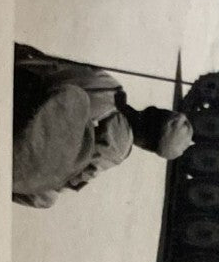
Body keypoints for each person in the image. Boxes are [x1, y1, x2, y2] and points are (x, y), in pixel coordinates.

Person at [12, 45, 194, 207]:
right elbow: (68, 183)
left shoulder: (107, 87)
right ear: (148, 147)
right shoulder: (115, 153)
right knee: (47, 198)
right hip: (16, 162)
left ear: (153, 109)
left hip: (13, 97)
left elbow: (37, 63)